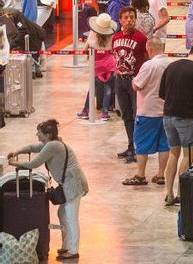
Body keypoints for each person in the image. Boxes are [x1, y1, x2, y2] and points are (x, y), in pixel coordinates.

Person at [7, 120, 88, 261]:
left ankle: (73, 250)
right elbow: (34, 147)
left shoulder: (53, 146)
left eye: (39, 132)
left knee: (70, 217)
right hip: (68, 183)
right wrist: (17, 151)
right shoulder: (51, 143)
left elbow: (34, 163)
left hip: (73, 184)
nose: (37, 134)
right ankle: (67, 246)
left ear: (48, 134)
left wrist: (15, 163)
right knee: (63, 214)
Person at [160, 43, 193, 206]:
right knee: (189, 154)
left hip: (167, 116)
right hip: (186, 118)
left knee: (174, 153)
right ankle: (182, 192)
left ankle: (168, 193)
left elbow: (161, 92)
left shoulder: (171, 66)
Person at [123, 37, 171, 187]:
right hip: (166, 110)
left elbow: (137, 85)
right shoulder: (170, 63)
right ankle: (161, 174)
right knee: (164, 144)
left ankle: (140, 175)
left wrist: (133, 80)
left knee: (142, 143)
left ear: (149, 49)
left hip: (148, 111)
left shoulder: (149, 65)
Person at [113, 6, 149, 163]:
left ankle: (138, 148)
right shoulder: (115, 37)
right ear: (120, 20)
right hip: (120, 80)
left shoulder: (141, 38)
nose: (129, 20)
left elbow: (148, 59)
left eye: (132, 17)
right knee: (126, 115)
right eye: (126, 17)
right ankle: (130, 146)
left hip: (135, 81)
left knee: (136, 116)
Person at [76, 13, 117, 120]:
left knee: (92, 88)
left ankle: (86, 111)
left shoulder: (92, 34)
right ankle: (104, 112)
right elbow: (113, 50)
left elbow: (85, 49)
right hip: (109, 64)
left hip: (96, 64)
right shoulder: (112, 35)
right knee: (108, 88)